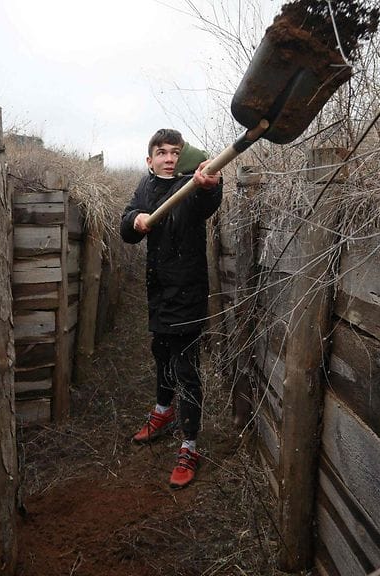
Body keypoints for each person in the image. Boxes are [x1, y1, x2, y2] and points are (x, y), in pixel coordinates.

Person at [119, 128, 222, 489]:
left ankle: (189, 444)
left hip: (188, 294)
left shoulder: (191, 187)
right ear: (150, 160)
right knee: (160, 353)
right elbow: (127, 224)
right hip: (159, 293)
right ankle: (163, 411)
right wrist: (135, 220)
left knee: (186, 367)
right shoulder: (146, 189)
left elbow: (208, 201)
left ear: (183, 157)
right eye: (161, 152)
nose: (168, 158)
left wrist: (209, 184)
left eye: (174, 152)